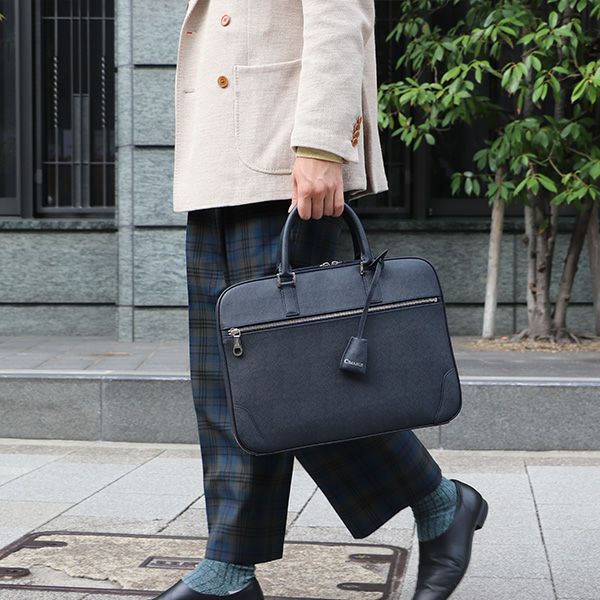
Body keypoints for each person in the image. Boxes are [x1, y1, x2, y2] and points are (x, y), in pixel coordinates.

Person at [153, 2, 488, 599]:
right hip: (220, 156)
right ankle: (230, 569)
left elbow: (340, 14)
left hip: (282, 150)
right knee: (230, 381)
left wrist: (323, 144)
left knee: (290, 374)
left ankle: (439, 502)